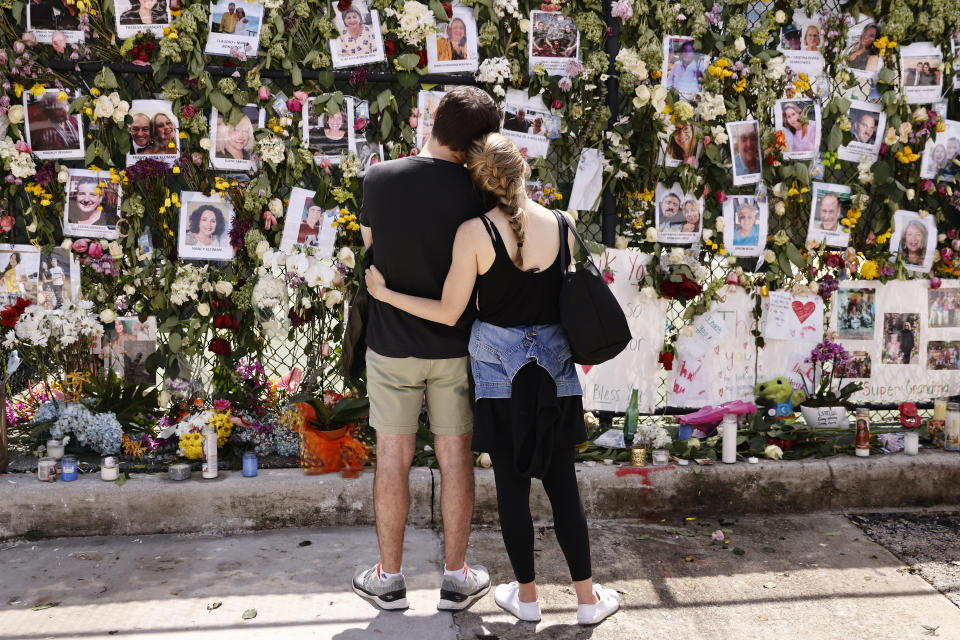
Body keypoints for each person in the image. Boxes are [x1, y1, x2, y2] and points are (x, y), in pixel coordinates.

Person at [365, 132, 621, 626]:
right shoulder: (562, 224)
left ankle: (526, 599)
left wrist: (384, 292)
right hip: (554, 372)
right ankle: (587, 601)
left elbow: (447, 312)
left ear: (480, 183)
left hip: (497, 372)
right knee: (563, 485)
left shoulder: (474, 233)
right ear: (522, 170)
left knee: (511, 486)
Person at [352, 86, 501, 613]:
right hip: (457, 345)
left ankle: (389, 579)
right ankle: (457, 578)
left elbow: (371, 245)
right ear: (479, 143)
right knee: (456, 458)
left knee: (392, 458)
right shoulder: (479, 194)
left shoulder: (380, 176)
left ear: (433, 121)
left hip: (391, 345)